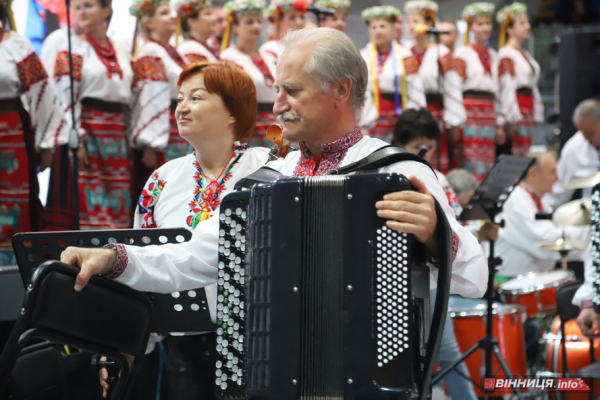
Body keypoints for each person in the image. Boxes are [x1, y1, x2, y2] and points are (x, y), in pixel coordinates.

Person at [61, 28, 487, 312]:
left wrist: (436, 234)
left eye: (292, 90)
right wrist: (113, 258)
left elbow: (476, 279)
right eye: (278, 89)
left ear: (341, 90)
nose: (278, 104)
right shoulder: (270, 179)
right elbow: (193, 256)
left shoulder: (398, 171)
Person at [99, 61, 271, 400]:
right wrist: (125, 346)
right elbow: (143, 262)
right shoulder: (162, 180)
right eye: (179, 99)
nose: (182, 107)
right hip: (183, 347)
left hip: (259, 341)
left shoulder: (268, 169)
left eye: (196, 97)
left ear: (232, 112)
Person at [392, 109, 477, 400]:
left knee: (447, 349)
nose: (425, 152)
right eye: (418, 147)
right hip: (393, 279)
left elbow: (454, 227)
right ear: (399, 142)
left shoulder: (436, 177)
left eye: (429, 145)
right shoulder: (387, 171)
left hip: (429, 276)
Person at [43, 0, 134, 230]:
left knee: (117, 196)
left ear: (107, 10)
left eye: (89, 5)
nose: (81, 11)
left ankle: (116, 253)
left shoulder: (120, 47)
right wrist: (77, 138)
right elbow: (63, 95)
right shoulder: (70, 46)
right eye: (77, 6)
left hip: (115, 131)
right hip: (86, 129)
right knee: (85, 195)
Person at [0, 0, 66, 265]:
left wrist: (46, 143)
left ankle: (14, 266)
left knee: (18, 203)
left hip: (13, 133)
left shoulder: (16, 45)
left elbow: (41, 91)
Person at [129, 0, 191, 212]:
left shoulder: (171, 51)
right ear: (149, 22)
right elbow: (151, 97)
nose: (172, 17)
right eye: (164, 13)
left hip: (177, 127)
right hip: (165, 132)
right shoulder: (152, 51)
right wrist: (151, 143)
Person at [495, 152, 589, 279]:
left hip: (534, 277)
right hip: (511, 280)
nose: (557, 178)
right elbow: (545, 240)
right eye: (552, 172)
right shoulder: (515, 201)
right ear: (533, 173)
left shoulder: (538, 198)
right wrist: (592, 233)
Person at [444, 2, 501, 182]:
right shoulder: (462, 53)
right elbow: (453, 86)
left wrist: (499, 121)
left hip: (489, 113)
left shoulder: (494, 55)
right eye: (480, 24)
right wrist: (455, 120)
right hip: (469, 112)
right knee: (469, 158)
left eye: (488, 23)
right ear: (471, 27)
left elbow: (499, 91)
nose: (485, 28)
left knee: (488, 160)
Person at [360, 6, 426, 143]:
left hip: (399, 116)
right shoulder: (363, 56)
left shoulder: (406, 55)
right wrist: (361, 122)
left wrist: (413, 120)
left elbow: (415, 89)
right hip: (371, 115)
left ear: (393, 28)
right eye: (374, 27)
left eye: (383, 26)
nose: (378, 31)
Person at [404, 1, 454, 174]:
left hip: (435, 110)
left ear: (429, 24)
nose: (411, 26)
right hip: (410, 111)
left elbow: (451, 86)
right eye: (409, 22)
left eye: (416, 21)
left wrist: (452, 116)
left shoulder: (440, 51)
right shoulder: (404, 52)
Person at [220, 0, 277, 147]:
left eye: (259, 21)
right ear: (235, 27)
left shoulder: (270, 56)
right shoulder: (229, 57)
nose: (256, 26)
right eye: (250, 22)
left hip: (277, 124)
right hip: (250, 124)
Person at [496, 2, 543, 157]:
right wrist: (510, 117)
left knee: (526, 151)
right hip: (518, 107)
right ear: (509, 29)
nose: (527, 26)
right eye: (522, 23)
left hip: (528, 106)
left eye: (527, 22)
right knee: (517, 152)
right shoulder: (506, 54)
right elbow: (506, 88)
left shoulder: (524, 54)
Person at [548, 99, 600, 209]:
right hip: (591, 215)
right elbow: (559, 191)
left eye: (590, 133)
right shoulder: (574, 147)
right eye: (582, 133)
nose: (585, 138)